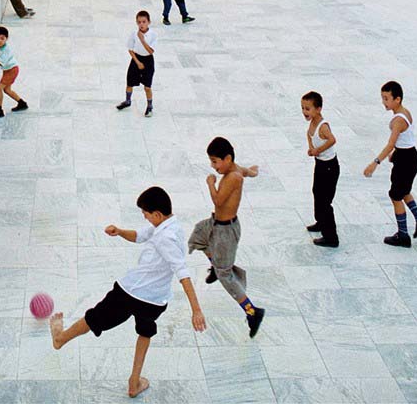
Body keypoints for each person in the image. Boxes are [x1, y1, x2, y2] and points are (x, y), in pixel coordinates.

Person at [49, 186, 206, 399]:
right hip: (155, 301)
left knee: (94, 318)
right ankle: (134, 382)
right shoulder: (170, 226)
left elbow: (183, 273)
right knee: (145, 331)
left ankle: (60, 338)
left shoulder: (164, 238)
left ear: (157, 214)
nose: (145, 217)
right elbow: (141, 235)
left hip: (130, 293)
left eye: (146, 214)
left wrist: (196, 310)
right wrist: (120, 232)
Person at [188, 137, 266, 338]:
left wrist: (210, 184)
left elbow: (218, 201)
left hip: (225, 232)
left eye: (215, 161)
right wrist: (255, 171)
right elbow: (249, 172)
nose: (213, 166)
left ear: (228, 158)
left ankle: (252, 312)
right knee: (198, 235)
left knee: (226, 275)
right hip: (216, 224)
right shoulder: (237, 170)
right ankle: (215, 265)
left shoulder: (232, 178)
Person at [363, 81, 417, 247]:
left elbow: (391, 142)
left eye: (386, 98)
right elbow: (404, 140)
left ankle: (403, 235)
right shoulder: (405, 112)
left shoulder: (398, 121)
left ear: (397, 99)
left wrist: (375, 162)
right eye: (383, 98)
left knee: (395, 195)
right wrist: (396, 153)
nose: (383, 102)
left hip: (406, 160)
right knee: (404, 191)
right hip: (408, 155)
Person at [302, 91, 340, 247]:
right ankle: (321, 222)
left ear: (318, 109)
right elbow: (309, 135)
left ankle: (331, 237)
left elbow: (332, 140)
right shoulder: (312, 124)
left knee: (325, 201)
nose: (305, 112)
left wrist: (318, 150)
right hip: (320, 164)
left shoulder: (323, 126)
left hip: (329, 167)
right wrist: (311, 148)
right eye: (303, 108)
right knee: (316, 192)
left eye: (308, 109)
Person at [117, 10, 157, 117]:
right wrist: (137, 62)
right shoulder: (134, 34)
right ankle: (127, 100)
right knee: (130, 82)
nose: (141, 24)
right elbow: (130, 49)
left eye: (144, 22)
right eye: (139, 22)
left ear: (149, 22)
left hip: (148, 60)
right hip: (136, 59)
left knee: (147, 87)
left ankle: (149, 106)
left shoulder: (153, 35)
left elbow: (151, 51)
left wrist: (142, 40)